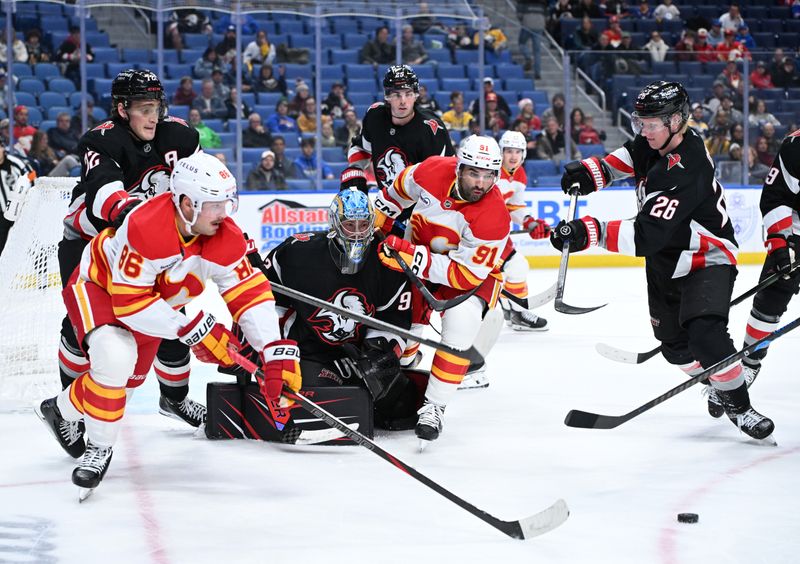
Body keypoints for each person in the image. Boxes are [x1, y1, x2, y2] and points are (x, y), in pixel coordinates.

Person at [36, 152, 301, 496]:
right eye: (215, 205)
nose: (224, 214)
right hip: (99, 287)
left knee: (119, 390)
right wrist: (193, 330)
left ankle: (58, 410)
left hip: (153, 307)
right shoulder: (147, 226)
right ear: (188, 204)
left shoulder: (223, 234)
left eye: (226, 203)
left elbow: (249, 294)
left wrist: (273, 351)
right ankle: (98, 449)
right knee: (115, 358)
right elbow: (128, 303)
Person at [551, 81, 774, 440]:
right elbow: (628, 157)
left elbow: (645, 235)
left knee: (706, 335)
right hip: (664, 262)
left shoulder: (686, 167)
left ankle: (740, 407)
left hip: (706, 258)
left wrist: (588, 231)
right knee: (674, 348)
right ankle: (718, 382)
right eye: (640, 122)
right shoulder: (653, 140)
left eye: (651, 124)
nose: (644, 130)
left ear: (677, 121)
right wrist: (592, 173)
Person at [54, 70, 205, 460]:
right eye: (144, 109)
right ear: (122, 109)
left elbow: (198, 184)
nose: (153, 117)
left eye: (156, 108)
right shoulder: (101, 139)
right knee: (82, 326)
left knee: (172, 317)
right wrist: (134, 215)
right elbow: (105, 195)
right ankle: (68, 411)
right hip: (90, 244)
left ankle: (174, 398)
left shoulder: (180, 137)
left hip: (146, 245)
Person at [239, 168, 420, 430]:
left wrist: (378, 355)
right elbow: (268, 300)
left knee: (402, 406)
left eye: (363, 225)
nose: (357, 233)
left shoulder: (386, 261)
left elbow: (393, 318)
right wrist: (272, 349)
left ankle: (368, 395)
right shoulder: (298, 253)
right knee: (319, 394)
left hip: (359, 353)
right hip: (309, 351)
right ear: (335, 224)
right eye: (349, 225)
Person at [372, 135, 510, 446]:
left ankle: (434, 407)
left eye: (489, 175)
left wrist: (412, 256)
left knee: (460, 328)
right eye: (474, 173)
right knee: (401, 325)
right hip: (419, 256)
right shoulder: (431, 170)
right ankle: (405, 364)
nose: (481, 183)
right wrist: (379, 217)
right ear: (459, 168)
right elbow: (398, 190)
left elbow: (463, 275)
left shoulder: (494, 216)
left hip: (468, 276)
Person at [738, 129, 800, 383]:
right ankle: (750, 362)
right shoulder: (795, 145)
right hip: (796, 232)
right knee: (770, 300)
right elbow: (776, 197)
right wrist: (782, 242)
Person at [348, 65, 454, 194]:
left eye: (408, 94)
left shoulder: (432, 128)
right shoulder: (375, 116)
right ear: (387, 96)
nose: (403, 101)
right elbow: (362, 148)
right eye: (396, 94)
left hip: (424, 203)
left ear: (416, 95)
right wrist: (355, 172)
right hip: (386, 201)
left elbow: (447, 176)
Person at [496, 131, 550, 331]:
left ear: (524, 154)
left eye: (517, 151)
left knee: (514, 268)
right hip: (479, 232)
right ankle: (515, 311)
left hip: (496, 233)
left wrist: (529, 222)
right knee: (512, 267)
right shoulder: (491, 171)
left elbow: (514, 206)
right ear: (501, 152)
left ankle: (513, 310)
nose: (513, 156)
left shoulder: (519, 174)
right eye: (508, 151)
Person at [0, 142, 35, 256]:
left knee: (29, 240)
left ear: (3, 148)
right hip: (2, 213)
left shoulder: (15, 163)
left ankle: (38, 263)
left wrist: (30, 198)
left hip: (21, 209)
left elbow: (32, 176)